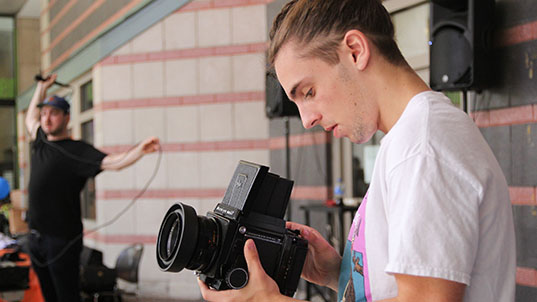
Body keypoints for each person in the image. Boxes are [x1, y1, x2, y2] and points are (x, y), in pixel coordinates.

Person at [198, 0, 516, 301]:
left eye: (308, 91)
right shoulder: (411, 140)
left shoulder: (421, 148)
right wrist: (338, 271)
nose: (307, 120)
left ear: (355, 50)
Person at [24, 74, 160, 302]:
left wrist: (139, 151)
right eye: (44, 113)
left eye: (54, 113)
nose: (46, 119)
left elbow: (112, 163)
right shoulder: (41, 141)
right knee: (47, 296)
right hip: (35, 238)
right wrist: (41, 87)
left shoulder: (77, 150)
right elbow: (30, 119)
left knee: (66, 296)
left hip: (61, 241)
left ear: (67, 118)